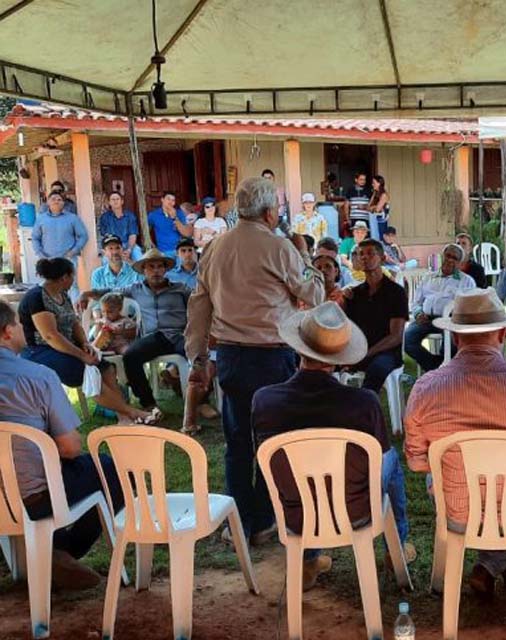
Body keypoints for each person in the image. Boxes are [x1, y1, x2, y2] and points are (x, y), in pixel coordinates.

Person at [185, 176, 322, 545]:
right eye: (277, 208)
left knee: (237, 440)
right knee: (274, 438)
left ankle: (240, 522)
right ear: (267, 212)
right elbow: (315, 291)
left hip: (230, 355)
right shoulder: (279, 247)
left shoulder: (215, 247)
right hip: (273, 356)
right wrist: (305, 254)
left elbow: (198, 306)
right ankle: (263, 518)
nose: (279, 213)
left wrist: (197, 358)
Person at [404, 288, 506, 594]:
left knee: (437, 475)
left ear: (454, 337)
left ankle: (490, 565)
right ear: (503, 333)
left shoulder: (426, 388)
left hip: (458, 514)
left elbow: (416, 462)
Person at [252, 301, 414, 588]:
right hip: (356, 512)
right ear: (340, 357)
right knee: (391, 461)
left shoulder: (264, 400)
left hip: (296, 515)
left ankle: (307, 560)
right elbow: (381, 456)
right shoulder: (364, 402)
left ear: (298, 349)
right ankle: (396, 549)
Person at [0, 301, 126, 590]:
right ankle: (62, 552)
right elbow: (70, 448)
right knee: (112, 470)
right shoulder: (38, 375)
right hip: (32, 497)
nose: (22, 330)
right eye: (19, 325)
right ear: (8, 332)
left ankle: (42, 553)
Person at [20, 258, 155, 423]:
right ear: (64, 277)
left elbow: (75, 323)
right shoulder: (36, 297)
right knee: (89, 373)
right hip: (41, 350)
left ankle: (123, 419)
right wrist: (81, 355)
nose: (74, 280)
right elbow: (50, 336)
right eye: (72, 276)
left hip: (66, 346)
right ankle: (132, 413)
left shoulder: (63, 294)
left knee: (107, 368)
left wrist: (85, 343)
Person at [80, 248, 192, 412]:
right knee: (131, 356)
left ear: (165, 269)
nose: (156, 271)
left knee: (199, 354)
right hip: (153, 338)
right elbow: (110, 292)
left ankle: (201, 401)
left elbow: (199, 304)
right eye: (151, 267)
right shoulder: (135, 289)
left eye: (160, 267)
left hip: (179, 335)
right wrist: (86, 293)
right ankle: (148, 404)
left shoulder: (180, 288)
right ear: (144, 270)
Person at [342, 239, 407, 393]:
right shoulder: (355, 293)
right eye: (360, 254)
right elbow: (348, 328)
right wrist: (344, 302)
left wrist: (366, 353)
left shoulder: (395, 292)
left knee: (376, 370)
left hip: (386, 353)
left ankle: (366, 413)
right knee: (325, 368)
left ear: (382, 258)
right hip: (360, 350)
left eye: (370, 253)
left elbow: (396, 336)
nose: (364, 258)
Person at [404, 244, 476, 373]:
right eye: (448, 256)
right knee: (407, 340)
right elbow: (416, 302)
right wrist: (418, 313)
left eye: (455, 258)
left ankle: (442, 371)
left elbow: (469, 306)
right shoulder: (428, 277)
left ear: (460, 263)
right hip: (426, 319)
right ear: (442, 257)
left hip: (450, 321)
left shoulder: (467, 281)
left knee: (451, 345)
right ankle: (436, 368)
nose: (450, 260)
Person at [32, 192, 88, 262]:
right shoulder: (41, 219)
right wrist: (40, 254)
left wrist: (73, 251)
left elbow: (83, 236)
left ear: (63, 203)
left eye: (59, 200)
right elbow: (35, 238)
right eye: (53, 199)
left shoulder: (72, 218)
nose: (56, 201)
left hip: (68, 260)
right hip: (47, 260)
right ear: (48, 202)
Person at [97, 191, 140, 260]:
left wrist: (129, 250)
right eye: (113, 200)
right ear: (109, 202)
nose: (115, 201)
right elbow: (105, 235)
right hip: (113, 244)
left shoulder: (130, 216)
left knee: (138, 254)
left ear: (122, 201)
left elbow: (133, 235)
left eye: (117, 199)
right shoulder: (105, 217)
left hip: (128, 244)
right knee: (105, 259)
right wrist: (117, 249)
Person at [147, 191, 192, 257]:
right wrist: (152, 246)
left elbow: (187, 234)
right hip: (163, 252)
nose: (170, 202)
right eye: (168, 199)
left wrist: (175, 218)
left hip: (180, 250)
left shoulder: (179, 213)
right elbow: (145, 231)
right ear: (162, 200)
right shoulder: (153, 215)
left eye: (173, 200)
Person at [368, 174, 390, 239]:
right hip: (373, 219)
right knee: (373, 236)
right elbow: (368, 206)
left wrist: (372, 207)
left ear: (379, 183)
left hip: (381, 220)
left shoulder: (384, 195)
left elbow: (377, 209)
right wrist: (372, 207)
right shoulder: (375, 194)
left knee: (380, 237)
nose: (372, 184)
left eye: (374, 183)